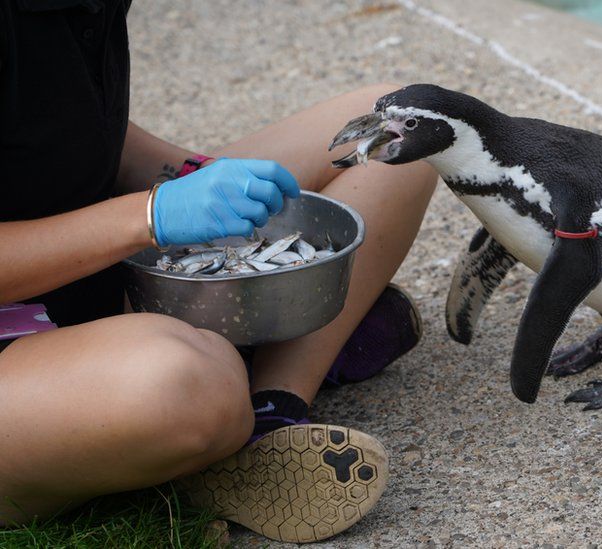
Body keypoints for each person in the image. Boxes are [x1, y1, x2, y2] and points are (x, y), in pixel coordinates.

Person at [0, 0, 437, 542]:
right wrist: (149, 215)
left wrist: (194, 175)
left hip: (87, 281)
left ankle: (271, 415)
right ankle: (222, 389)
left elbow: (58, 119)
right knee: (183, 386)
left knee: (401, 127)